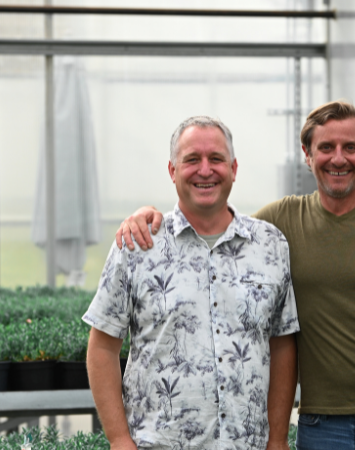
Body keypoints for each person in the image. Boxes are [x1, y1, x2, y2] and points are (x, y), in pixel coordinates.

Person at [115, 101, 355, 450]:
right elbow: (217, 221)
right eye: (326, 148)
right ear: (307, 155)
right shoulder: (280, 222)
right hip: (322, 425)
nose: (339, 158)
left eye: (350, 147)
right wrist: (150, 218)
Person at [84, 116, 300, 450]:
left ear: (234, 168)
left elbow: (282, 344)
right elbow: (102, 346)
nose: (205, 170)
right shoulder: (139, 244)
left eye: (215, 159)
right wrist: (119, 440)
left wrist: (278, 438)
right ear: (172, 170)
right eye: (191, 160)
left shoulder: (270, 245)